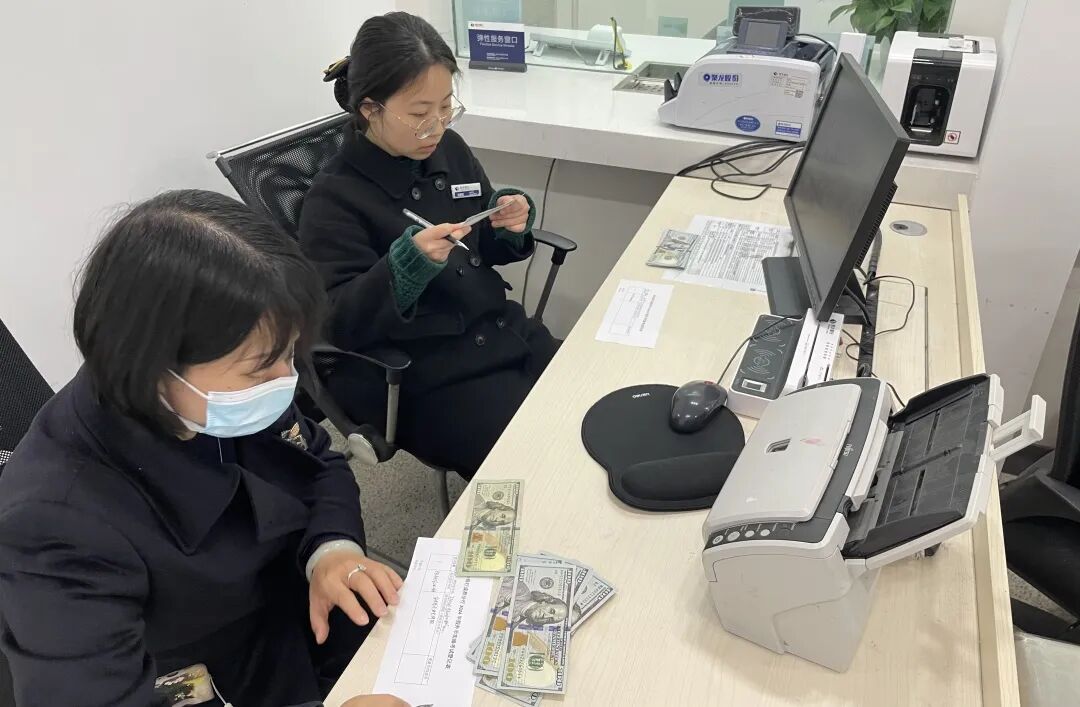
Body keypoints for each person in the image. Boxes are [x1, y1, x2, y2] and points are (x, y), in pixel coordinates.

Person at [0, 191, 408, 707]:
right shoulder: (53, 526)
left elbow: (319, 462)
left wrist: (332, 549)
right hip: (221, 679)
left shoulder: (214, 392)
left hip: (304, 605)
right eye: (261, 368)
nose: (286, 380)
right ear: (156, 368)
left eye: (289, 353)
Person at [300, 12, 560, 478]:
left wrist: (507, 224)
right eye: (419, 114)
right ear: (370, 109)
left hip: (500, 329)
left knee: (589, 394)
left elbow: (483, 246)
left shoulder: (449, 149)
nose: (436, 126)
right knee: (539, 462)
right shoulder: (334, 196)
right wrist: (403, 270)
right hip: (427, 372)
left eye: (445, 107)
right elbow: (336, 322)